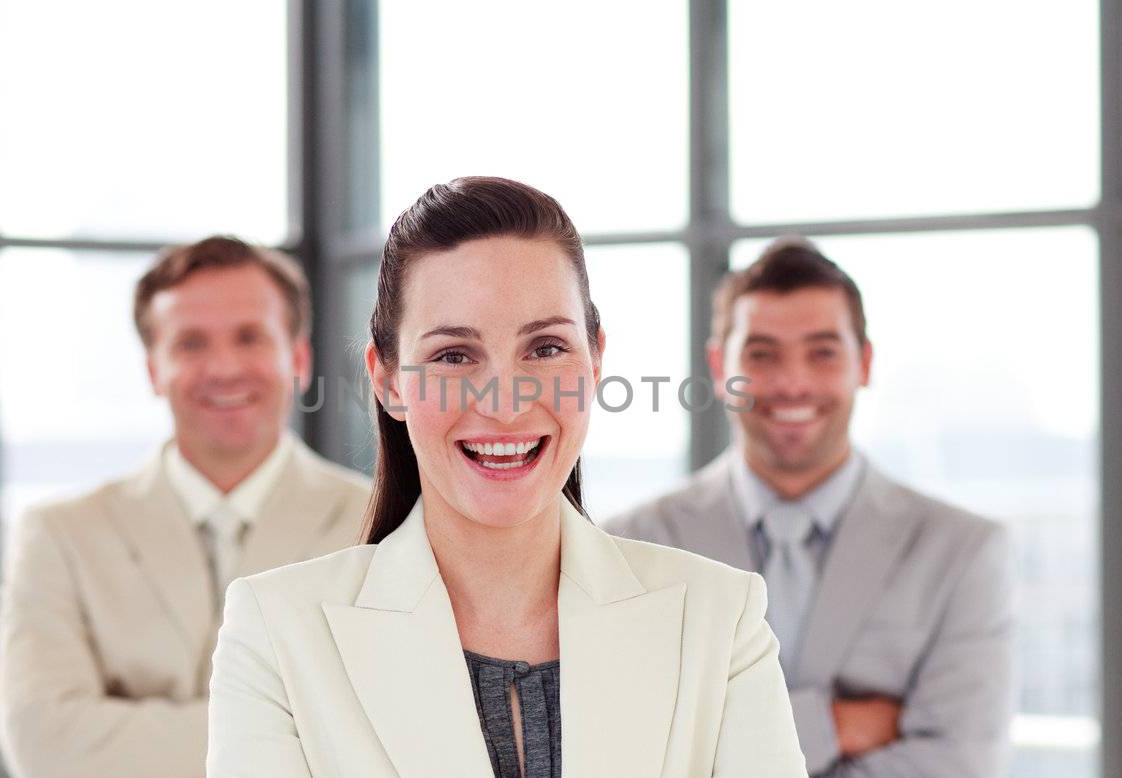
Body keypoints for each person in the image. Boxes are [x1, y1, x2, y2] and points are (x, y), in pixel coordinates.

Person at [207, 177, 809, 777]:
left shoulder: (720, 622)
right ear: (388, 379)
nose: (504, 403)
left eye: (545, 348)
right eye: (453, 355)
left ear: (595, 362)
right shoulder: (277, 635)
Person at [604, 237, 1016, 776]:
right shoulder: (629, 545)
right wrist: (834, 724)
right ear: (717, 365)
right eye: (761, 354)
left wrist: (717, 741)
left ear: (864, 363)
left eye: (822, 352)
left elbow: (962, 764)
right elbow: (624, 752)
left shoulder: (962, 551)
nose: (792, 383)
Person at [0, 236, 372, 778]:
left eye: (249, 337)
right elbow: (46, 745)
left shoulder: (378, 524)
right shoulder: (59, 535)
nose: (223, 367)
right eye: (191, 343)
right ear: (153, 368)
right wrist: (298, 728)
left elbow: (390, 737)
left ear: (300, 359)